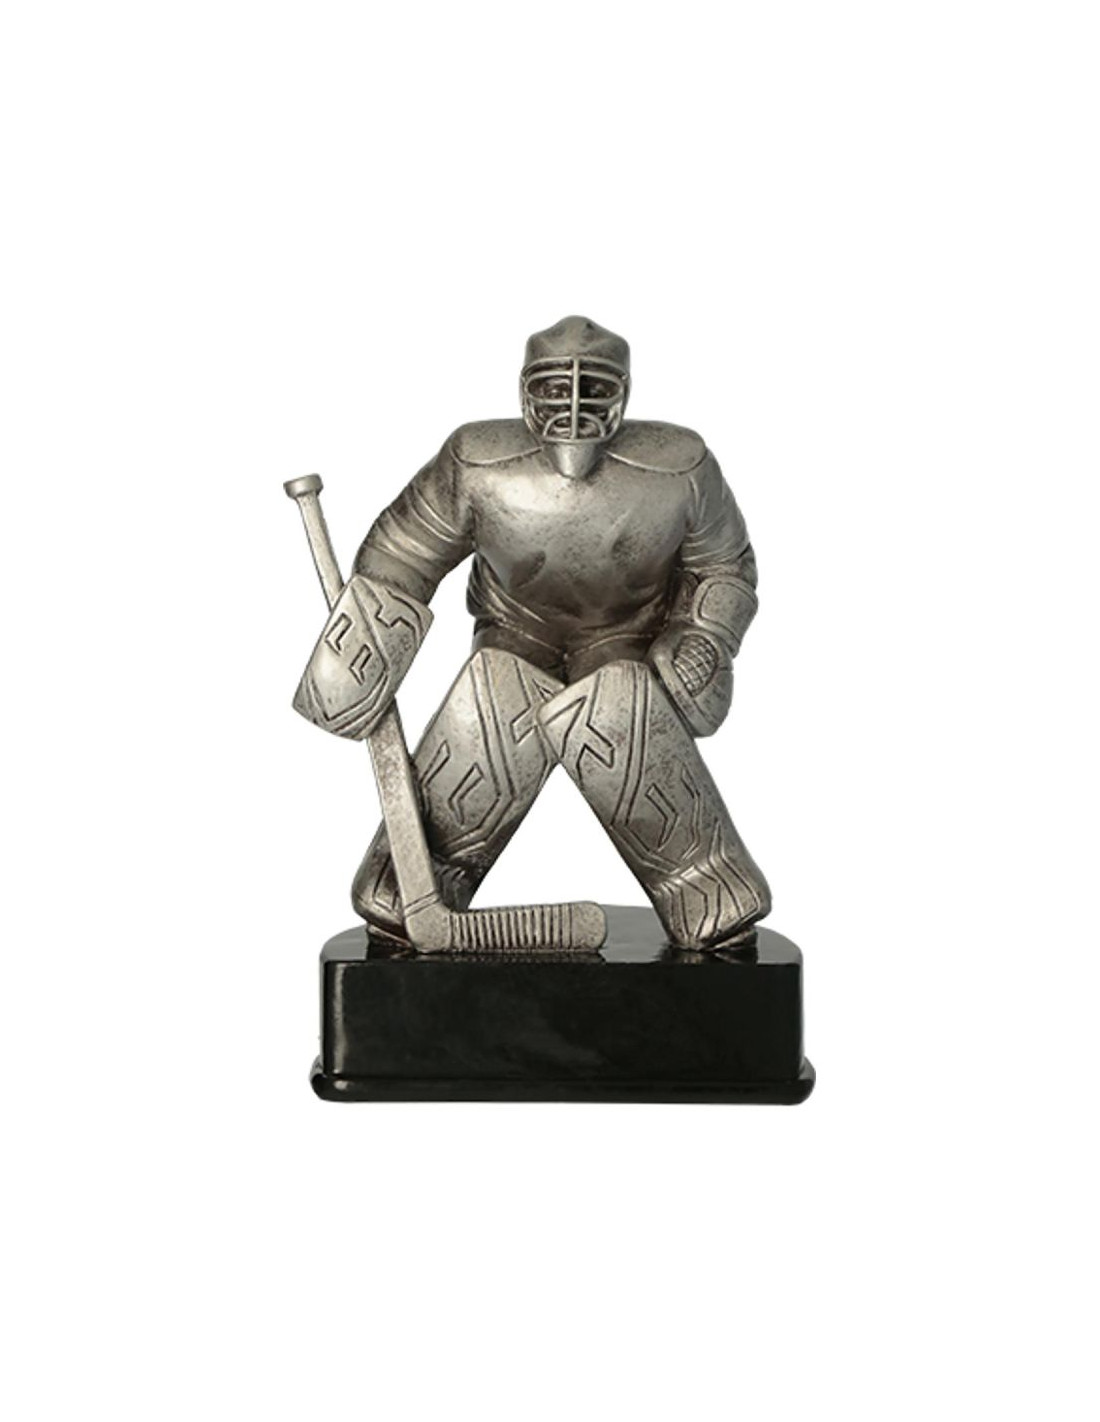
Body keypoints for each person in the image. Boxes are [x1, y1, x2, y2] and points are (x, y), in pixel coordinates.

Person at [303, 316, 771, 950]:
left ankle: (702, 881)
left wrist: (703, 635)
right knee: (493, 702)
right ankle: (412, 880)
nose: (573, 406)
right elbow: (404, 551)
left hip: (626, 641)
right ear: (526, 392)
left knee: (622, 710)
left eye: (593, 388)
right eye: (555, 389)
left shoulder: (680, 466)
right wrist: (368, 637)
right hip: (512, 635)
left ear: (624, 393)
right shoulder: (477, 460)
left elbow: (725, 565)